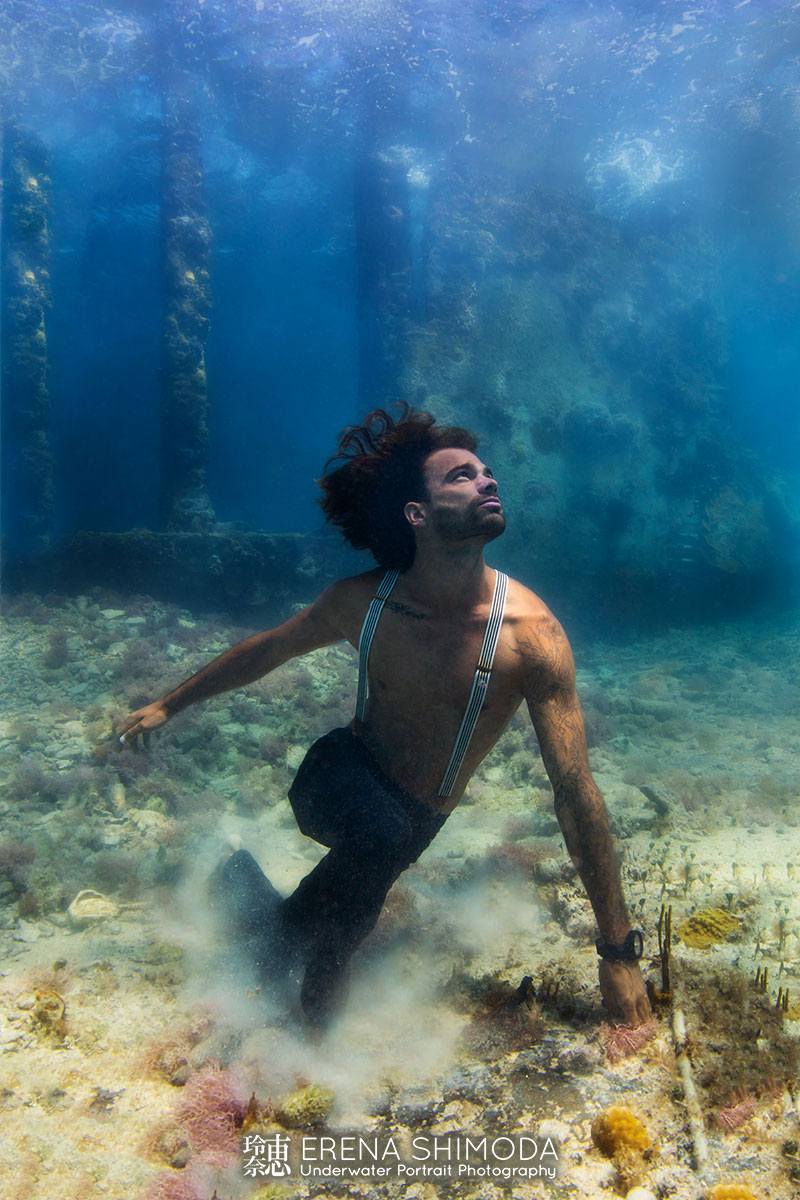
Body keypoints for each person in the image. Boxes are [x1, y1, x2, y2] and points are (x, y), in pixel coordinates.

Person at [118, 406, 651, 1030]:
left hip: (417, 819)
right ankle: (314, 1017)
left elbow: (574, 789)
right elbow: (268, 648)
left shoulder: (531, 636)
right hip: (337, 779)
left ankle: (240, 887)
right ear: (416, 515)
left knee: (322, 902)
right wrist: (167, 704)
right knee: (372, 850)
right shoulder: (362, 602)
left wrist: (619, 952)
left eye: (487, 472)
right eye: (461, 476)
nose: (488, 481)